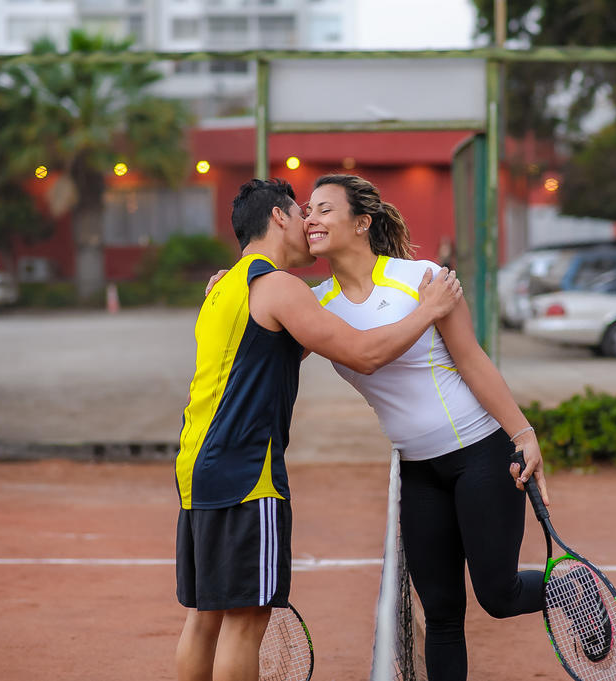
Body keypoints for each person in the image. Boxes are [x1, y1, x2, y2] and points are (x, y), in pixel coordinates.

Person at [208, 175, 550, 681]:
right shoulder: (314, 302)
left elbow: (473, 361)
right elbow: (261, 340)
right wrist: (234, 289)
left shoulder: (422, 279)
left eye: (324, 209)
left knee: (497, 597)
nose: (311, 220)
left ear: (361, 223)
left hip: (480, 452)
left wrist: (523, 434)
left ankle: (570, 590)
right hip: (416, 471)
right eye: (307, 210)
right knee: (441, 616)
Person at [175, 178, 463, 681]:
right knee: (244, 624)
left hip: (197, 471)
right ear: (279, 218)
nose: (310, 221)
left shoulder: (226, 289)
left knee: (205, 619)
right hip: (247, 475)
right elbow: (364, 354)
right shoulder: (280, 288)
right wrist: (430, 310)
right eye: (302, 211)